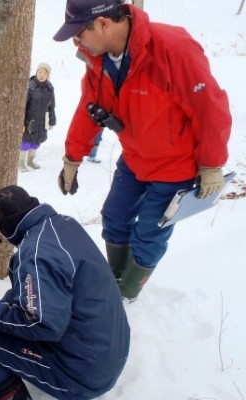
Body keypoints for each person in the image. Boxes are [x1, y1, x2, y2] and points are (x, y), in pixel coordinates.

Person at [53, 0, 232, 301]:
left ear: (103, 24)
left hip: (175, 168)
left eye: (79, 33)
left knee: (148, 234)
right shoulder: (99, 61)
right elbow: (89, 109)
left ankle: (127, 293)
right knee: (114, 217)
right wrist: (72, 158)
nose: (76, 41)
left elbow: (209, 108)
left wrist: (212, 164)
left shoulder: (171, 49)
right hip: (135, 159)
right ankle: (115, 279)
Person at [0, 185, 130, 400]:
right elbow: (44, 292)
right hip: (109, 354)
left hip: (83, 377)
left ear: (4, 227)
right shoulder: (64, 225)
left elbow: (42, 323)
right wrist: (1, 309)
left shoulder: (35, 253)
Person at [19, 63, 56, 172]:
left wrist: (52, 120)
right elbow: (22, 106)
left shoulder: (49, 88)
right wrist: (21, 123)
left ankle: (30, 161)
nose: (41, 75)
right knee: (25, 142)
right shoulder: (30, 86)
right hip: (29, 120)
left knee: (36, 142)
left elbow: (51, 106)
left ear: (48, 75)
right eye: (40, 72)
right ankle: (20, 163)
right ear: (36, 72)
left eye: (44, 73)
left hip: (42, 120)